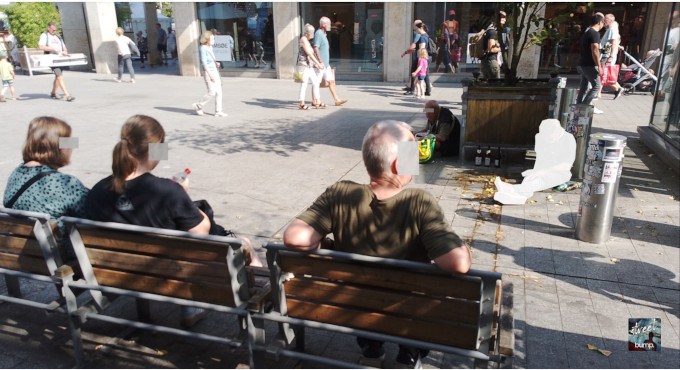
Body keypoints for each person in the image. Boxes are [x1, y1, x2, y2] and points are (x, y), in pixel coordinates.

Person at [283, 120, 471, 366]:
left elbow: (294, 237)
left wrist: (327, 248)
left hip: (357, 309)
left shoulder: (340, 193)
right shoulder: (420, 202)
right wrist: (464, 246)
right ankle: (409, 352)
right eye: (410, 155)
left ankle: (371, 346)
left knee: (363, 290)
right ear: (397, 164)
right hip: (408, 314)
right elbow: (458, 264)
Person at [85, 115, 262, 327]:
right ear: (154, 149)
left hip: (119, 271)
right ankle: (256, 300)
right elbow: (201, 232)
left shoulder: (98, 190)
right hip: (170, 274)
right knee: (244, 244)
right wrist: (183, 195)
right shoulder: (167, 191)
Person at [3, 117, 89, 258]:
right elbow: (96, 215)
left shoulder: (16, 174)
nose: (73, 147)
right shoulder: (65, 184)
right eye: (69, 142)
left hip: (28, 256)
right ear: (56, 145)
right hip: (65, 259)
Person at [494, 119, 575, 205]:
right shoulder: (539, 137)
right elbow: (541, 158)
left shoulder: (568, 139)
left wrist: (543, 171)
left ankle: (512, 189)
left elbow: (566, 165)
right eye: (545, 137)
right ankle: (519, 197)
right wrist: (535, 171)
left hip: (560, 172)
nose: (547, 140)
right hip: (543, 169)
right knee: (530, 178)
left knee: (543, 179)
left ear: (557, 132)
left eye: (550, 138)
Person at [314, 16, 348, 106]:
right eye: (329, 24)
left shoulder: (324, 34)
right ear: (324, 24)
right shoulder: (318, 33)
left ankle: (336, 99)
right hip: (321, 64)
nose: (331, 26)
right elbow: (315, 47)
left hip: (326, 64)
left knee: (331, 81)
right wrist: (319, 60)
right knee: (317, 83)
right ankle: (315, 100)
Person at [192, 30, 227, 117]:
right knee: (212, 92)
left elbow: (210, 60)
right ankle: (199, 105)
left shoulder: (210, 48)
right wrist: (210, 75)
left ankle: (218, 111)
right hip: (209, 72)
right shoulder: (203, 48)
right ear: (207, 39)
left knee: (219, 92)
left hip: (214, 70)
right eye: (212, 39)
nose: (213, 40)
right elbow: (204, 64)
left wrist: (216, 63)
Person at [38, 22, 75, 102]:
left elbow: (64, 47)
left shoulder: (58, 36)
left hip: (60, 59)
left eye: (56, 30)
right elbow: (41, 47)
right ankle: (67, 95)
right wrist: (53, 49)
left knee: (58, 76)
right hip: (52, 59)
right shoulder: (44, 35)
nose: (54, 32)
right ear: (48, 28)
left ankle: (53, 92)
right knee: (59, 76)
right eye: (53, 30)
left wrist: (64, 51)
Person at [576, 14, 605, 113]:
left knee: (584, 87)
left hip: (583, 63)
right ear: (600, 22)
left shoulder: (587, 32)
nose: (603, 25)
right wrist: (599, 66)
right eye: (603, 23)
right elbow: (595, 49)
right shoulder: (594, 33)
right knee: (596, 86)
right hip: (589, 64)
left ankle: (578, 108)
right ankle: (583, 107)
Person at [297, 24, 324, 110]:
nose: (312, 35)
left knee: (316, 82)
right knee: (304, 84)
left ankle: (318, 102)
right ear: (307, 33)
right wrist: (318, 63)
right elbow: (309, 53)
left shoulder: (307, 40)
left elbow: (311, 55)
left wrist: (316, 63)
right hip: (303, 65)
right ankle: (302, 103)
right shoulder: (303, 40)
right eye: (312, 33)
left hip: (309, 65)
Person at [401, 20, 431, 96]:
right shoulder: (426, 36)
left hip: (420, 58)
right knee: (426, 74)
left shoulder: (422, 37)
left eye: (417, 28)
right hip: (424, 58)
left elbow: (421, 49)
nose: (416, 30)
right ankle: (428, 91)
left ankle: (412, 90)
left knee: (414, 72)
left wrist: (419, 60)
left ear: (421, 28)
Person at [599, 14, 624, 100]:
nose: (603, 21)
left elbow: (612, 44)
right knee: (603, 74)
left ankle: (617, 88)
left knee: (603, 74)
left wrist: (611, 56)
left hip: (607, 55)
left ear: (610, 21)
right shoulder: (609, 30)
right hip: (607, 54)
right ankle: (617, 89)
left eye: (605, 19)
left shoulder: (612, 30)